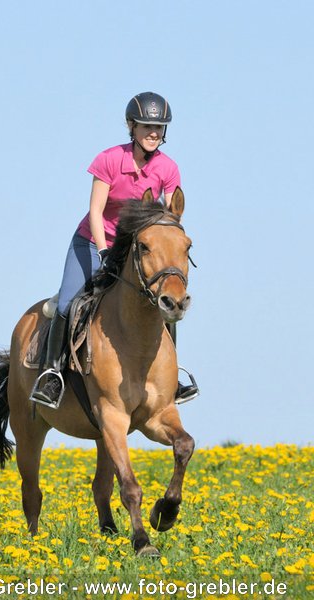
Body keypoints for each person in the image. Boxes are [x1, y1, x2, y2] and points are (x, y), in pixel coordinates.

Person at [31, 92, 199, 407]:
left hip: (137, 248)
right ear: (131, 126)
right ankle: (52, 375)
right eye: (147, 125)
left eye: (159, 127)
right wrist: (105, 251)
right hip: (93, 242)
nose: (153, 133)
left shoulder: (168, 168)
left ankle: (171, 377)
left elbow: (168, 217)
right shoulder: (109, 160)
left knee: (164, 302)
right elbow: (96, 210)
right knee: (68, 304)